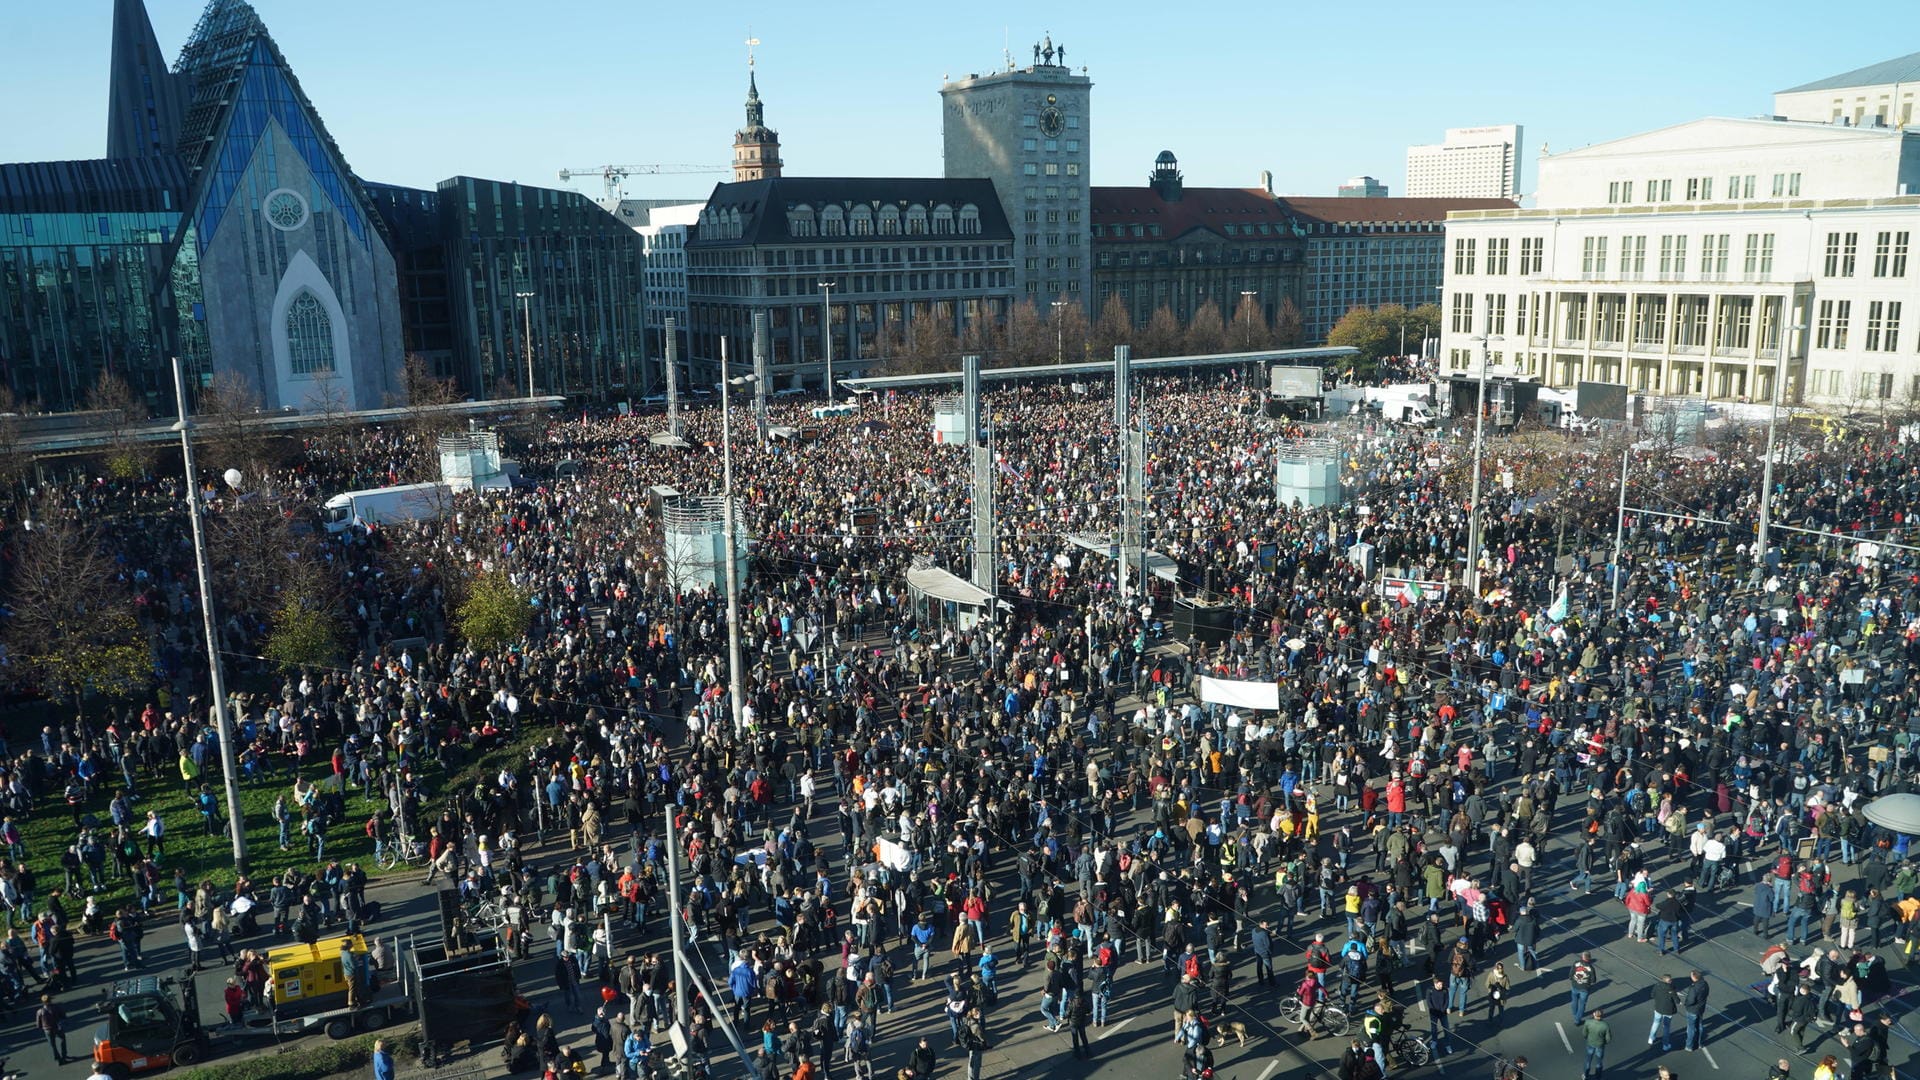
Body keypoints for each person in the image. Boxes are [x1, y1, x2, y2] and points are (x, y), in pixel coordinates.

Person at [36, 992, 69, 1064]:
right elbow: (63, 1016)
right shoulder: (56, 1007)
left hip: (47, 1030)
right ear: (50, 1000)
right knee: (62, 1039)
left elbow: (38, 1024)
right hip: (57, 1027)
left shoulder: (39, 1011)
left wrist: (43, 1027)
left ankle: (58, 1058)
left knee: (53, 1045)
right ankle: (64, 1055)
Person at [1681, 969, 1710, 1051]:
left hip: (1692, 1010)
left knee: (1691, 1028)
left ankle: (1689, 1046)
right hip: (1701, 1008)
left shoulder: (1694, 988)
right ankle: (1699, 1043)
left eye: (1691, 975)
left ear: (1694, 977)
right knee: (1699, 1026)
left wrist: (1686, 1004)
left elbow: (1691, 1000)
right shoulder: (1705, 984)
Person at [1648, 975, 1678, 1051]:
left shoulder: (1657, 985)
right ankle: (1665, 1045)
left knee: (1656, 1023)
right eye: (1670, 980)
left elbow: (1652, 995)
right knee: (1666, 1027)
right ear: (1667, 981)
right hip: (1668, 1011)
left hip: (1658, 1008)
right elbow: (1676, 1000)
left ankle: (1651, 1038)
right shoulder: (1671, 988)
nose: (1671, 981)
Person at [1580, 1008, 1611, 1078]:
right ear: (1602, 1015)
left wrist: (1587, 1038)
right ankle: (1598, 1077)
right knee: (1599, 1062)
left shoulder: (1588, 1022)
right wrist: (1603, 1042)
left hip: (1590, 1043)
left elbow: (1584, 1034)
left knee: (1588, 1060)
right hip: (1600, 1045)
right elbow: (1608, 1039)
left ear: (1594, 1014)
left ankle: (1586, 1075)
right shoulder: (1605, 1025)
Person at [1570, 952, 1598, 1022]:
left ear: (1582, 957)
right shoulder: (1591, 968)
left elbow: (1571, 974)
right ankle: (1577, 1020)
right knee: (1582, 1004)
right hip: (1585, 988)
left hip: (1575, 985)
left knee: (1574, 1000)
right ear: (1589, 958)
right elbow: (1593, 980)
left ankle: (1574, 1013)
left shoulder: (1576, 963)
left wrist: (1573, 979)